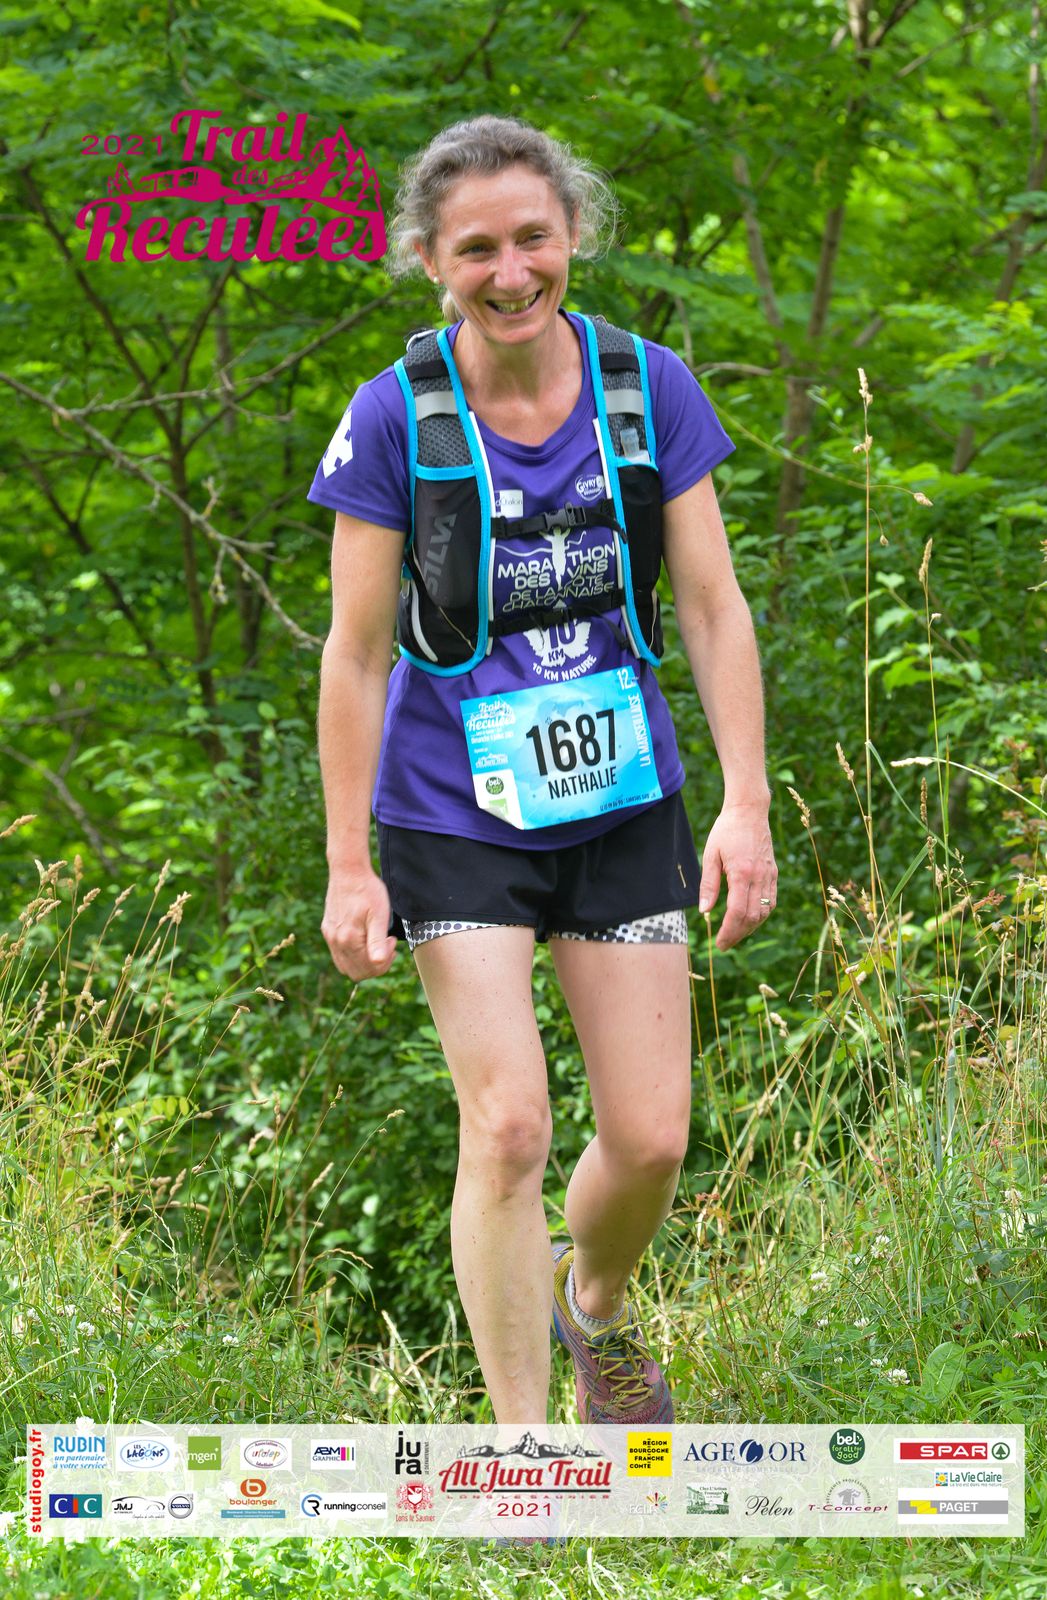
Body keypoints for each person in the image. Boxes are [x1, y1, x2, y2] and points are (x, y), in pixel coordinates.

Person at [310, 115, 776, 1433]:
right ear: (427, 260)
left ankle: (595, 1312)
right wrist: (348, 865)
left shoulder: (646, 388)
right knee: (509, 1124)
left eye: (533, 239)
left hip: (621, 797)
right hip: (452, 809)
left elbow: (713, 605)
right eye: (476, 250)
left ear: (574, 234)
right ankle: (523, 1456)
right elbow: (354, 656)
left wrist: (744, 803)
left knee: (653, 1138)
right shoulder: (394, 416)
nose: (510, 272)